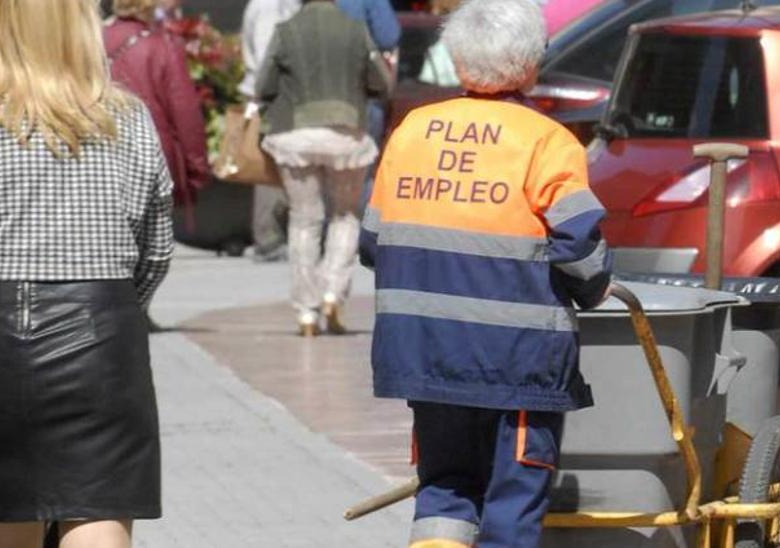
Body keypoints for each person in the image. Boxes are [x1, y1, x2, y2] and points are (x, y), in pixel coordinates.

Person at [358, 1, 612, 546]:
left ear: (458, 58)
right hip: (517, 364)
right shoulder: (547, 142)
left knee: (444, 490)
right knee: (512, 504)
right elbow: (581, 252)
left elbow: (374, 241)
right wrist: (596, 287)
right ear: (530, 63)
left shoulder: (413, 132)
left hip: (423, 354)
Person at [0, 0, 173, 547]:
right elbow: (155, 249)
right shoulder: (125, 119)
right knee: (97, 510)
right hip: (101, 335)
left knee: (5, 519)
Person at [258, 0, 391, 336]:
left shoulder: (285, 32)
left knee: (304, 218)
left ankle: (306, 311)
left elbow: (264, 85)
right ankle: (334, 293)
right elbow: (382, 82)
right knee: (345, 215)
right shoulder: (355, 30)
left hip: (295, 133)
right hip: (346, 133)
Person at [103, 0, 210, 220]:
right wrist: (197, 167)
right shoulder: (162, 46)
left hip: (99, 150)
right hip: (151, 155)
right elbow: (185, 113)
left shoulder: (89, 42)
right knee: (150, 241)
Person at [241, 0, 301, 263]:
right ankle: (269, 239)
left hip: (273, 94)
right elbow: (269, 58)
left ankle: (272, 237)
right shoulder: (270, 6)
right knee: (270, 168)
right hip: (272, 95)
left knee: (275, 165)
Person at [334, 0, 401, 212]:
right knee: (359, 176)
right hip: (361, 96)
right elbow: (389, 36)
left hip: (312, 98)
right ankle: (356, 237)